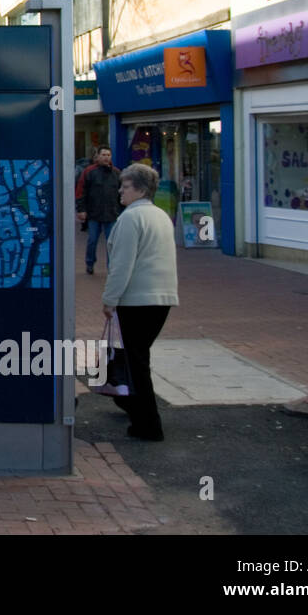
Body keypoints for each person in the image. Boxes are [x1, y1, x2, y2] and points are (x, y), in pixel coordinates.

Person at [101, 163, 179, 441]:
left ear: (141, 189)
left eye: (126, 185)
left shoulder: (130, 219)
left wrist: (109, 299)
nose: (120, 190)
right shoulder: (160, 216)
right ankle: (133, 407)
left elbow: (121, 264)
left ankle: (148, 424)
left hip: (137, 299)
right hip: (162, 297)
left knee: (136, 362)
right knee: (138, 357)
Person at [76, 145, 122, 275]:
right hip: (93, 213)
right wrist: (81, 209)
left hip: (112, 214)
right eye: (103, 155)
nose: (106, 157)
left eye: (108, 155)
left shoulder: (117, 173)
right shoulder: (89, 172)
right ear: (98, 156)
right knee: (92, 241)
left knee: (111, 243)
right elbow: (81, 191)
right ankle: (89, 263)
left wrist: (121, 210)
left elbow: (122, 193)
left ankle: (111, 267)